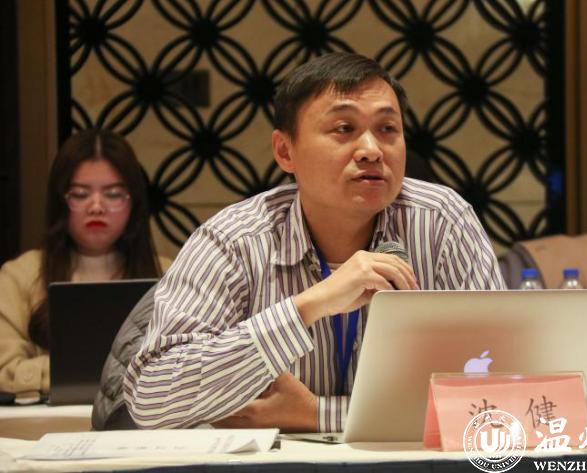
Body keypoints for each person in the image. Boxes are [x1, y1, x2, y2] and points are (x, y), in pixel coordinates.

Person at [124, 53, 505, 431]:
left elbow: (503, 393)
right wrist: (309, 306)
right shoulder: (234, 240)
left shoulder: (441, 222)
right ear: (285, 151)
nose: (372, 150)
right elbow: (151, 401)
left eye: (388, 129)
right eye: (344, 128)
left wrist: (319, 414)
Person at [0, 129, 170, 400]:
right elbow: (5, 370)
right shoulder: (19, 275)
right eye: (80, 194)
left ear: (134, 204)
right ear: (60, 202)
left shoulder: (170, 274)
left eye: (113, 194)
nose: (96, 207)